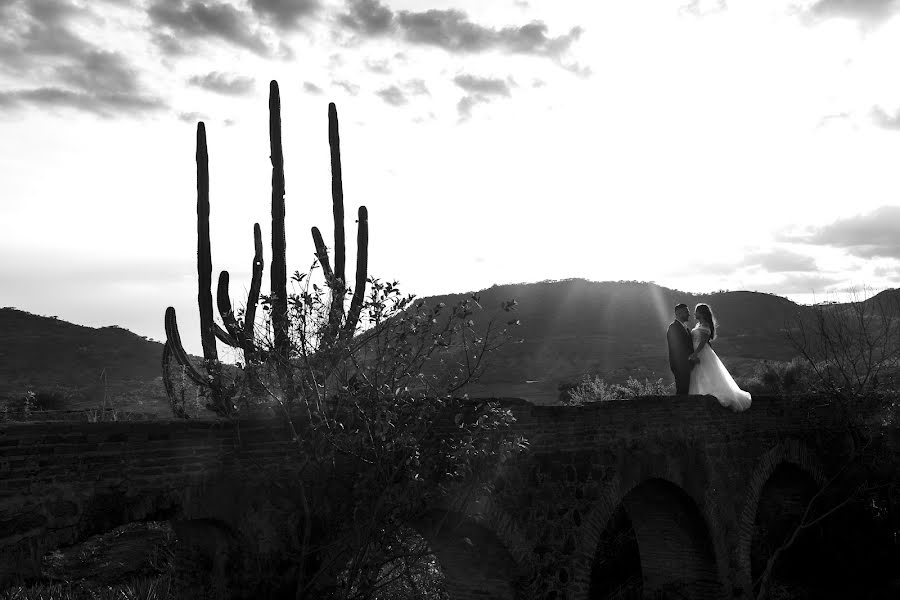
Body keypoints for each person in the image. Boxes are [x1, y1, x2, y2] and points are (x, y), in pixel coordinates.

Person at [688, 303, 752, 412]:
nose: (694, 314)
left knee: (705, 373)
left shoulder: (705, 326)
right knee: (699, 375)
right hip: (697, 351)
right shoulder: (699, 325)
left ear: (702, 313)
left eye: (696, 311)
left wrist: (695, 354)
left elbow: (703, 342)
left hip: (702, 353)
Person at [666, 303, 696, 394]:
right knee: (682, 392)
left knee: (687, 391)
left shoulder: (686, 329)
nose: (689, 314)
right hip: (680, 366)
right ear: (679, 313)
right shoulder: (673, 328)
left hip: (687, 366)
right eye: (686, 312)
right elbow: (678, 348)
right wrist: (691, 358)